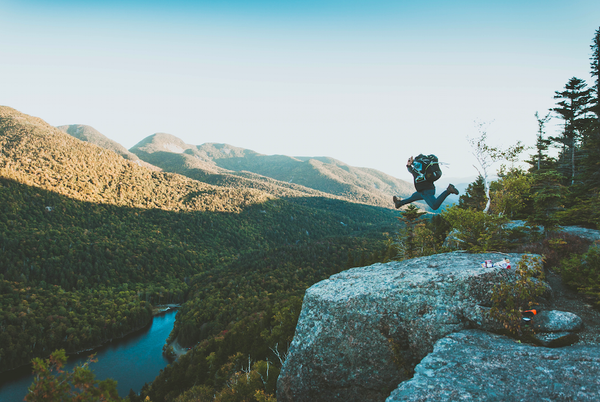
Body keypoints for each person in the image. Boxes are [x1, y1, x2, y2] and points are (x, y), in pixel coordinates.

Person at [393, 155, 459, 210]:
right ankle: (399, 203)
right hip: (422, 191)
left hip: (427, 191)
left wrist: (411, 164)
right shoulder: (416, 170)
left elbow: (413, 169)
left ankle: (448, 191)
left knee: (434, 206)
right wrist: (409, 165)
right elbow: (411, 170)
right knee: (413, 197)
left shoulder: (421, 167)